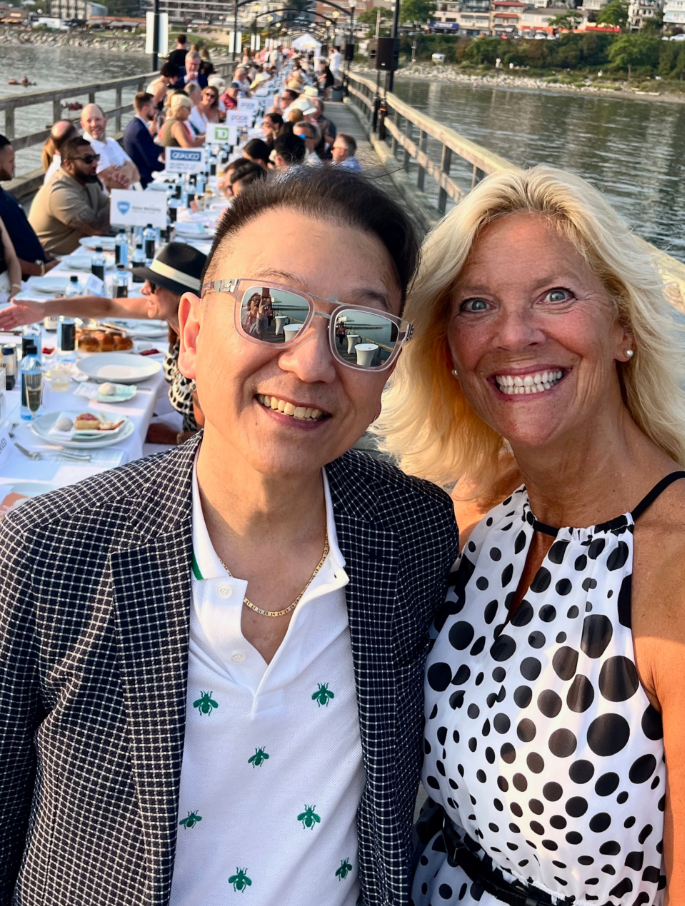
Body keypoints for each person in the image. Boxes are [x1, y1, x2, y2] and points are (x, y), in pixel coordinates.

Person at [0, 168, 458, 906]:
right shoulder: (50, 551)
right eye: (268, 311)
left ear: (388, 369)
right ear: (191, 332)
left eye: (360, 333)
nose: (310, 364)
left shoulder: (413, 532)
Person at [377, 165, 685, 906]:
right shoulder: (484, 511)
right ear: (448, 347)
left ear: (622, 327)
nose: (514, 335)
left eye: (556, 295)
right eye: (476, 305)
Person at [0, 242, 204, 444]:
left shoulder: (203, 347)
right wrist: (44, 309)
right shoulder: (176, 320)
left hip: (189, 448)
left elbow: (210, 438)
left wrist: (172, 437)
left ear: (182, 297)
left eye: (154, 285)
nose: (143, 290)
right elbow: (108, 307)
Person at [29, 135, 110, 257]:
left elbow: (107, 208)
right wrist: (117, 199)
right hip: (53, 262)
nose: (95, 164)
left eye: (95, 158)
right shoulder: (59, 192)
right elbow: (97, 227)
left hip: (79, 254)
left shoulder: (88, 182)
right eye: (88, 159)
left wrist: (116, 203)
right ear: (68, 164)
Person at [0, 134, 59, 277]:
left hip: (40, 266)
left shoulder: (7, 197)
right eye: (11, 161)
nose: (14, 166)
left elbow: (27, 234)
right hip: (20, 280)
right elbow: (4, 257)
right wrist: (42, 270)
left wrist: (47, 258)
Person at [80, 103, 140, 190]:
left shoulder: (112, 141)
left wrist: (123, 170)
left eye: (97, 119)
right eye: (89, 121)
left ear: (105, 120)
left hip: (130, 195)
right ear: (83, 125)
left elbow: (136, 175)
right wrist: (128, 166)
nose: (94, 124)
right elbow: (116, 185)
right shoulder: (88, 147)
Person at [122, 91, 165, 189]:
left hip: (140, 176)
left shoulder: (133, 125)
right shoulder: (140, 130)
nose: (156, 111)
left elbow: (150, 146)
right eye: (154, 107)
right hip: (144, 181)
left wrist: (164, 149)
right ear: (145, 108)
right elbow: (151, 162)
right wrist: (171, 167)